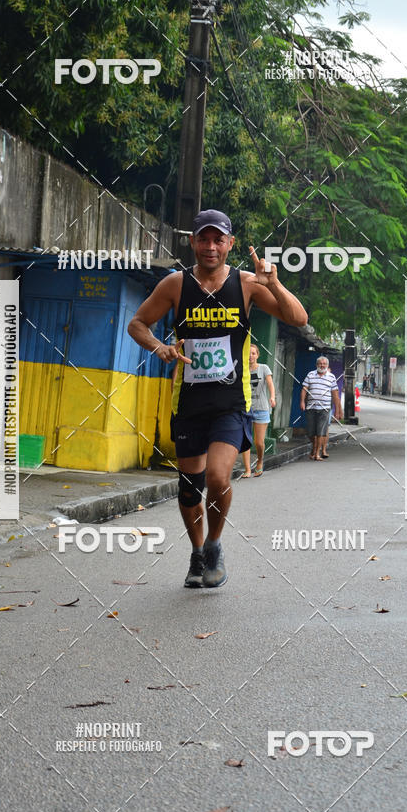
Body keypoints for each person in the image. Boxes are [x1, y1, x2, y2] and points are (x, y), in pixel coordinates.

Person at [127, 209, 307, 589]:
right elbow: (137, 323)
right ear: (193, 242)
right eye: (203, 239)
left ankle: (214, 545)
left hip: (231, 401)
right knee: (190, 487)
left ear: (230, 244)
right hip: (189, 403)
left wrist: (273, 284)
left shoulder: (246, 284)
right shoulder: (176, 285)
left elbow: (298, 319)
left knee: (217, 475)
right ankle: (196, 554)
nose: (211, 247)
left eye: (218, 240)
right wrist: (160, 347)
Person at [240, 344, 276, 477]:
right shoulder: (242, 369)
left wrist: (272, 397)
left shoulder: (264, 368)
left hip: (261, 409)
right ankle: (248, 469)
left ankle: (260, 461)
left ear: (257, 355)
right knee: (246, 441)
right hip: (246, 409)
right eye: (248, 353)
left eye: (253, 353)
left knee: (258, 442)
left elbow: (270, 384)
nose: (250, 356)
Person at [300, 356, 343, 461]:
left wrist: (337, 410)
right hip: (311, 407)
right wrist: (302, 402)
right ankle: (315, 447)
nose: (322, 365)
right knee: (310, 432)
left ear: (327, 365)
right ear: (317, 365)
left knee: (321, 432)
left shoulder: (331, 377)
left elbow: (335, 394)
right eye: (320, 363)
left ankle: (317, 453)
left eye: (324, 364)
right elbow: (304, 389)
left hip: (324, 409)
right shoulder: (310, 375)